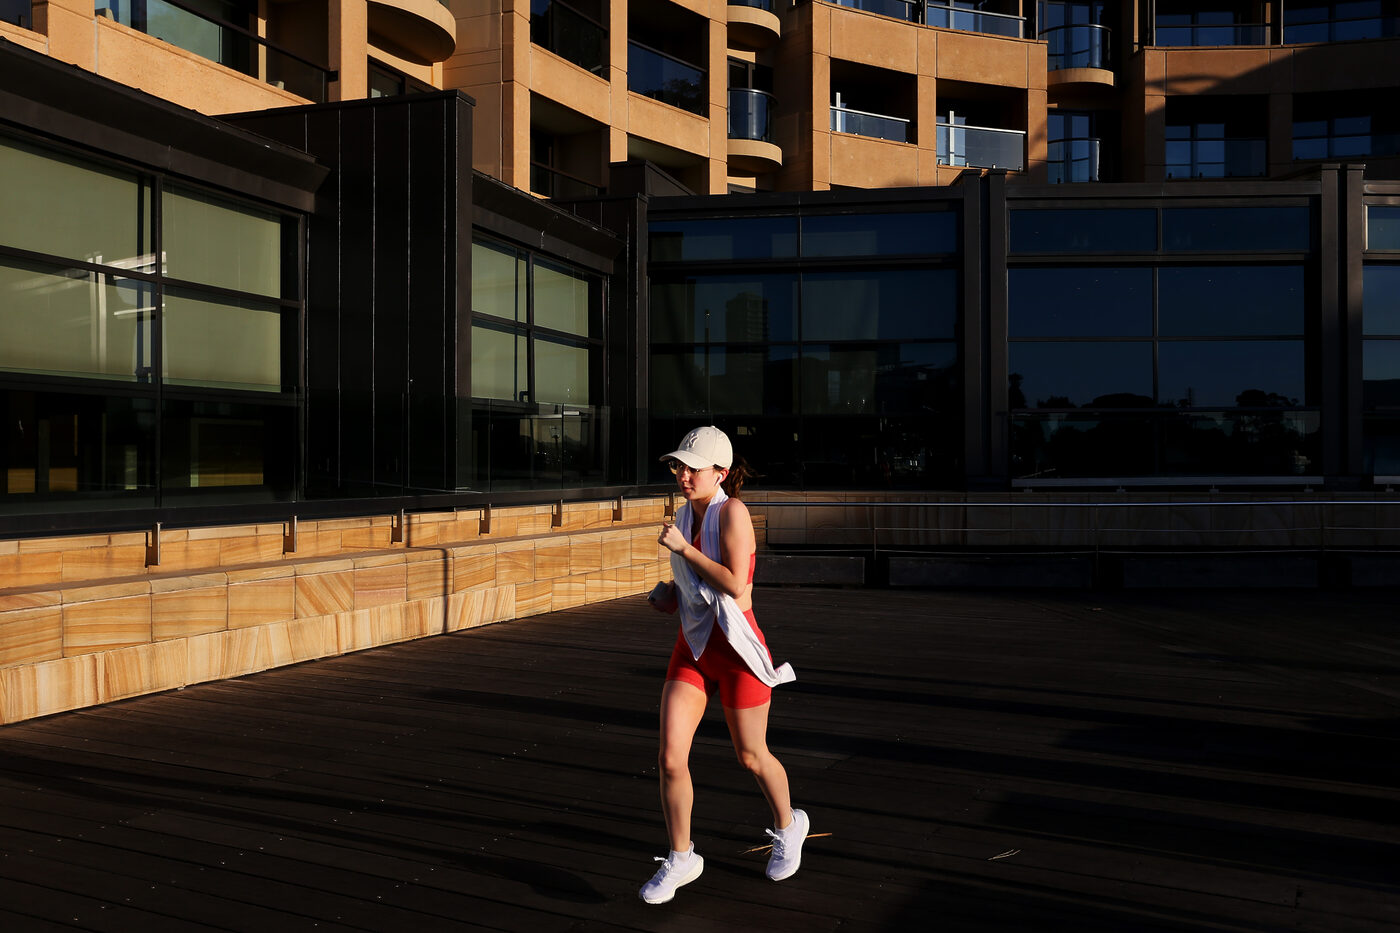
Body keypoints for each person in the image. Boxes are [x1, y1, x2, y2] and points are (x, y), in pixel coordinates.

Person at [638, 425, 808, 905]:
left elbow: (737, 587)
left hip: (737, 651)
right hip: (693, 647)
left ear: (721, 472)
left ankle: (790, 823)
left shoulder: (733, 512)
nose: (683, 475)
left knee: (752, 755)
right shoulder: (682, 516)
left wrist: (683, 550)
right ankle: (681, 856)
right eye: (679, 466)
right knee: (670, 758)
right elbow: (693, 589)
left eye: (693, 467)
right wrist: (666, 596)